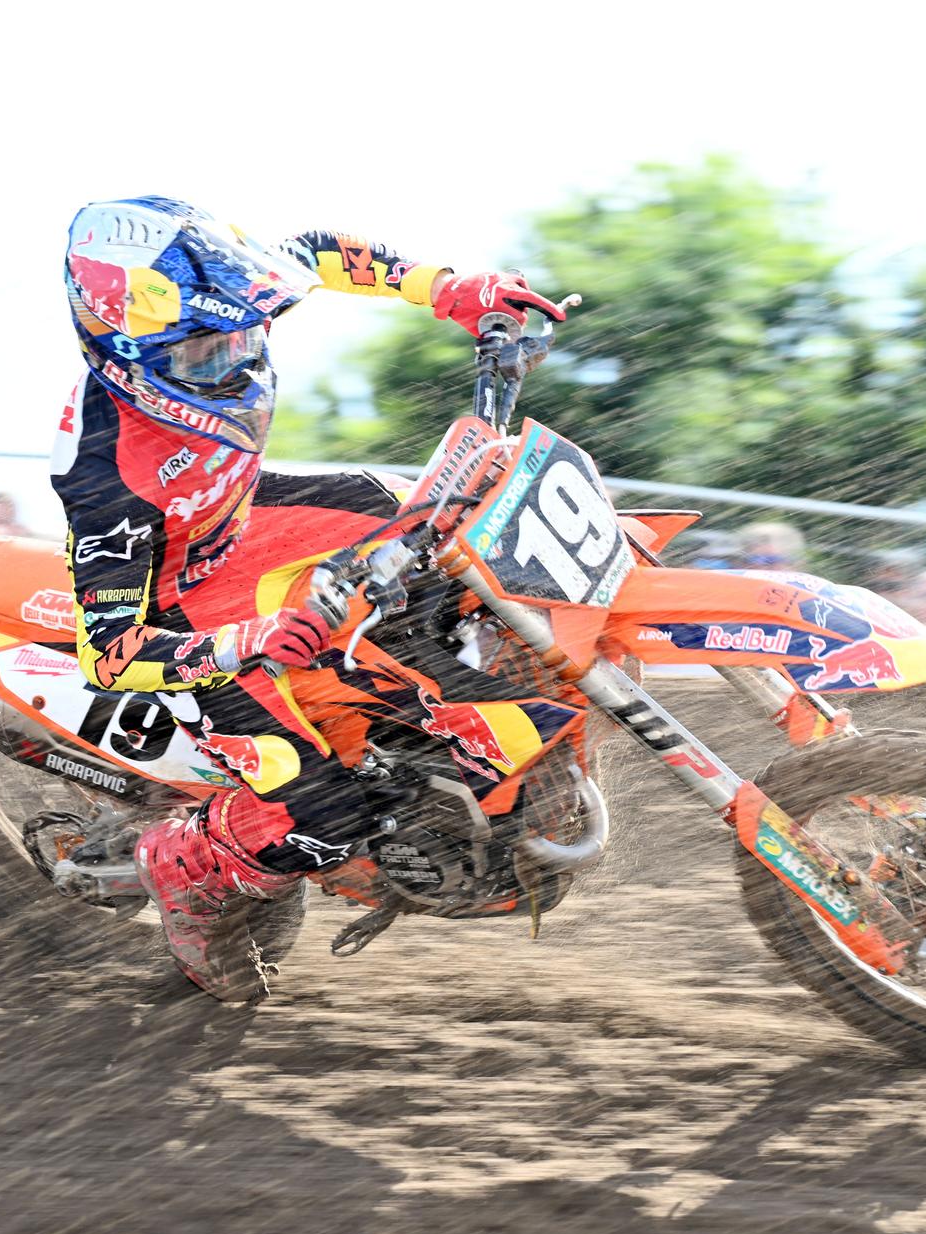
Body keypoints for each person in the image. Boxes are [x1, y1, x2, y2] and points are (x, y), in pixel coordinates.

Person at [53, 196, 567, 997]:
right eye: (206, 356)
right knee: (319, 814)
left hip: (248, 522)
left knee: (430, 527)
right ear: (125, 357)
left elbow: (318, 251)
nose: (236, 362)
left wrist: (448, 289)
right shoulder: (104, 475)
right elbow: (111, 655)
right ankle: (188, 871)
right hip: (186, 609)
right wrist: (251, 641)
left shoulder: (212, 297)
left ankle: (457, 727)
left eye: (245, 338)